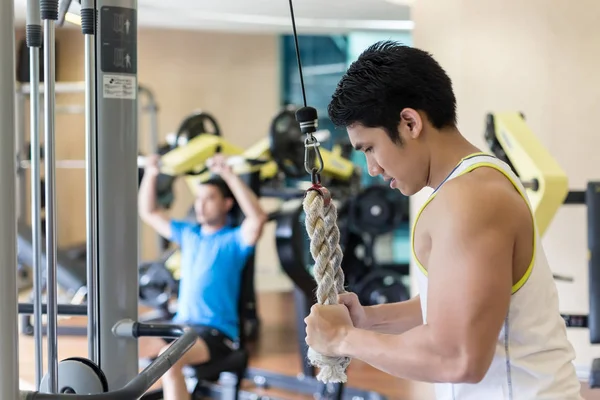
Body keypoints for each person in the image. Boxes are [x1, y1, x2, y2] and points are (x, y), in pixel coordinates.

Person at [303, 41, 583, 399]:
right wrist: (367, 320)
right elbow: (451, 307)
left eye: (370, 148)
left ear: (409, 122)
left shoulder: (469, 200)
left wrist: (344, 339)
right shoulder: (471, 185)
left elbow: (458, 358)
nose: (372, 169)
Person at [138, 153, 267, 400]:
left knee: (169, 360)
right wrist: (152, 174)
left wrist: (229, 174)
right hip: (180, 327)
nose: (201, 205)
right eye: (198, 198)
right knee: (123, 346)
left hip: (215, 334)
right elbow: (149, 212)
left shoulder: (235, 240)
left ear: (227, 204)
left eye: (209, 199)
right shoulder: (189, 234)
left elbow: (257, 218)